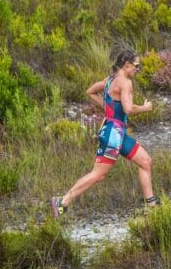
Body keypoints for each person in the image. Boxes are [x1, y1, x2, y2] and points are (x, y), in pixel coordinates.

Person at [51, 50, 159, 218]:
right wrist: (144, 108)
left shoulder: (109, 80)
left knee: (145, 161)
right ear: (127, 65)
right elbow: (128, 109)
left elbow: (90, 91)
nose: (139, 69)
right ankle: (63, 201)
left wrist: (108, 108)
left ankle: (152, 205)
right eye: (137, 66)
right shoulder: (125, 83)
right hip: (113, 135)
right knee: (98, 174)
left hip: (117, 132)